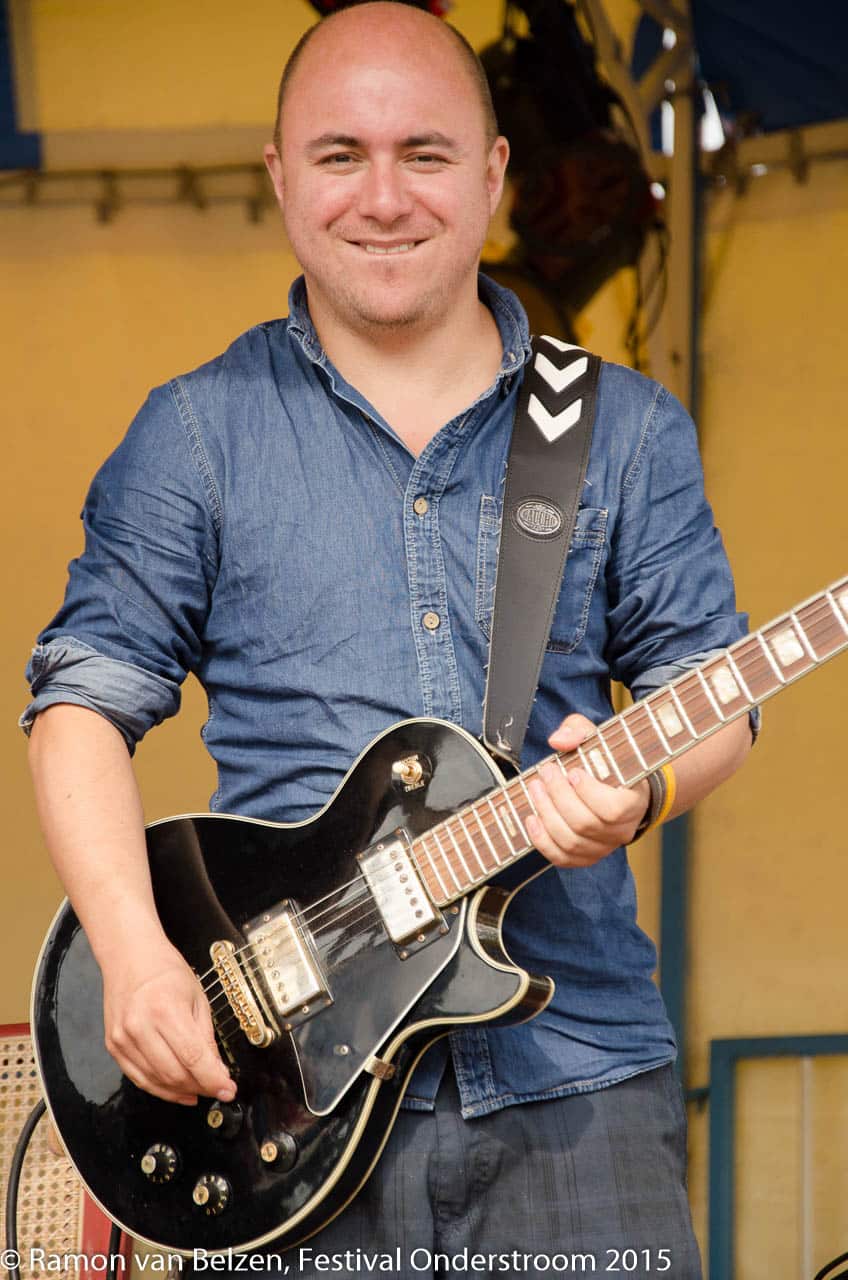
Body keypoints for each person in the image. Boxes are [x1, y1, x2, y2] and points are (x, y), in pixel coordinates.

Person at [23, 3, 754, 1276]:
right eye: (338, 155)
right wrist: (134, 954)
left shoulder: (623, 430)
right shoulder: (195, 433)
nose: (382, 197)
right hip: (276, 1102)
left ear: (492, 174)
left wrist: (636, 793)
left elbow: (714, 689)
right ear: (279, 176)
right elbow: (79, 702)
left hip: (573, 1087)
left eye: (423, 153)